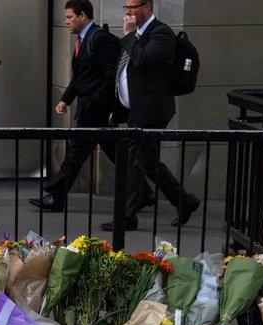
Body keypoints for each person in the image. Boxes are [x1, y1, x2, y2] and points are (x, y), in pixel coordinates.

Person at [102, 0, 199, 232]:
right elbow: (126, 74)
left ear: (148, 8)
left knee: (135, 160)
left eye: (133, 7)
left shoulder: (162, 33)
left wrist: (127, 36)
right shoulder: (137, 34)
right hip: (138, 109)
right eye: (126, 8)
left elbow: (143, 59)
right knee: (148, 162)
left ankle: (128, 216)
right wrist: (118, 109)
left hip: (153, 110)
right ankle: (185, 201)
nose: (128, 12)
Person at [31, 0, 121, 213]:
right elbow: (80, 77)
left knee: (75, 152)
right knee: (117, 152)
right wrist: (66, 99)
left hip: (95, 110)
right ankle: (145, 193)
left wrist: (95, 102)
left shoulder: (99, 38)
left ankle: (56, 195)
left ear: (83, 16)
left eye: (70, 17)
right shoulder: (83, 39)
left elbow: (111, 77)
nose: (66, 21)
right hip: (91, 108)